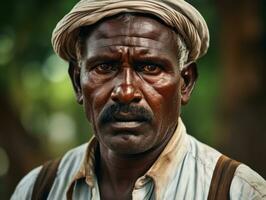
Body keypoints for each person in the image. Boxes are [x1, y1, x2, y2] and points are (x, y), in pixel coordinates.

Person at [11, 0, 266, 199]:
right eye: (105, 67)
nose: (126, 92)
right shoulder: (37, 189)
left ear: (185, 83)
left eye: (150, 68)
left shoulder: (240, 192)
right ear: (78, 82)